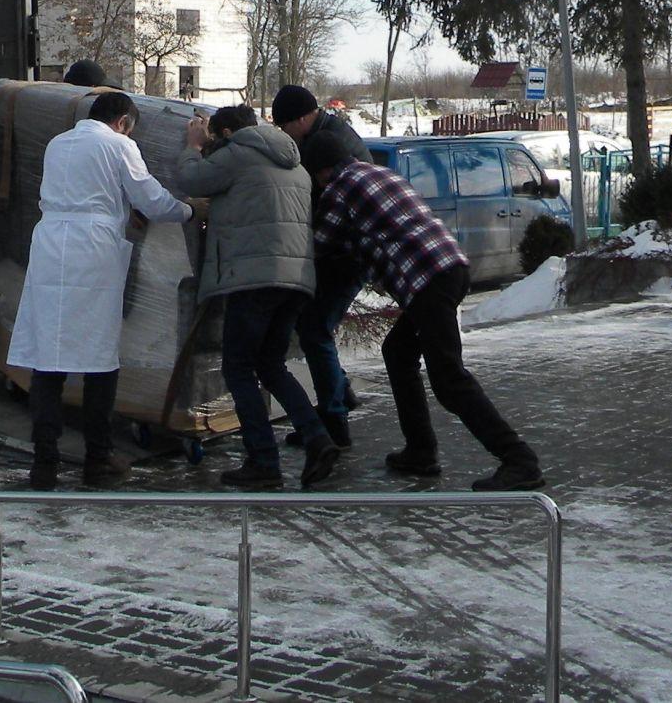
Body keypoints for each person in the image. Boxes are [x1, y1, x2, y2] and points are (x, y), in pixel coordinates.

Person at [302, 134, 546, 491]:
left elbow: (320, 245)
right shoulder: (381, 174)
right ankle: (420, 451)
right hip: (450, 268)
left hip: (427, 280)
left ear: (321, 171)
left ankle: (519, 460)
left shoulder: (340, 188)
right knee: (398, 353)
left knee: (449, 380)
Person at [8, 92, 194, 490]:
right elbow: (151, 197)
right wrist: (190, 209)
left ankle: (44, 462)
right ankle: (97, 457)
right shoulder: (119, 145)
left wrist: (124, 208)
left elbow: (90, 189)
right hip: (94, 249)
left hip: (51, 244)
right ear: (124, 121)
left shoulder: (59, 144)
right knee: (98, 357)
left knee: (49, 353)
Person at [176, 105, 337, 491]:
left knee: (238, 367)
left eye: (217, 135)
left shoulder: (238, 153)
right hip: (294, 279)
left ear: (228, 132)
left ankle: (263, 460)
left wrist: (193, 146)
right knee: (271, 364)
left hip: (254, 279)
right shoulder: (293, 163)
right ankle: (318, 438)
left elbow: (191, 179)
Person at [270, 84, 371, 446]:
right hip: (345, 253)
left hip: (345, 256)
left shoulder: (330, 143)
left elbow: (326, 205)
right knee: (315, 327)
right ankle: (341, 396)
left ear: (301, 119)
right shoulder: (329, 133)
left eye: (284, 127)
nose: (284, 135)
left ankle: (333, 420)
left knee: (314, 330)